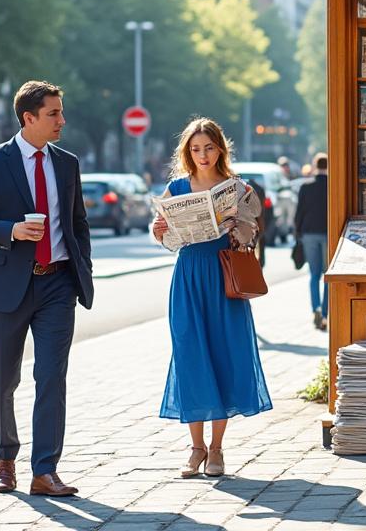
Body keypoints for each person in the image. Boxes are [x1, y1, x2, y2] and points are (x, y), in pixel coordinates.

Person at [0, 80, 94, 496]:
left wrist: (80, 266)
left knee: (52, 377)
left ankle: (45, 470)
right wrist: (10, 230)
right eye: (53, 113)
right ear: (28, 118)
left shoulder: (67, 163)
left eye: (61, 112)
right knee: (3, 379)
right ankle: (5, 459)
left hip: (58, 284)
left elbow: (78, 222)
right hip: (6, 285)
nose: (61, 120)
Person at [152, 118, 272, 479]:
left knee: (224, 354)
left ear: (221, 148)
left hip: (224, 276)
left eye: (208, 147)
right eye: (195, 149)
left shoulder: (236, 188)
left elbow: (254, 235)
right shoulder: (176, 187)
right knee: (190, 355)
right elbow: (164, 237)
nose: (202, 155)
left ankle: (217, 448)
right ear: (187, 152)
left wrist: (241, 224)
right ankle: (196, 447)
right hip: (188, 276)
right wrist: (158, 231)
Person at [294, 152, 329, 331]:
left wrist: (297, 233)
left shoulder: (305, 187)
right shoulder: (332, 186)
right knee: (328, 276)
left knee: (313, 274)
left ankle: (315, 308)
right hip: (328, 233)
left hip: (308, 233)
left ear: (315, 166)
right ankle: (325, 313)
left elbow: (299, 212)